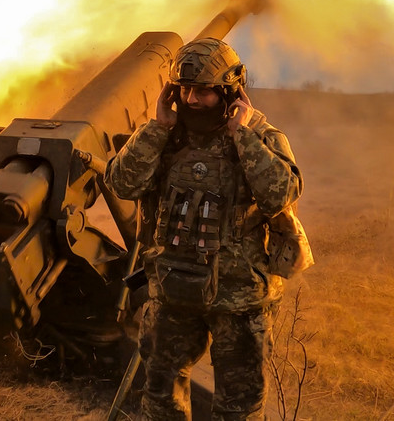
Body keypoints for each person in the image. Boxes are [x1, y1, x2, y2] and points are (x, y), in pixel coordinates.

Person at [105, 37, 309, 421]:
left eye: (204, 91)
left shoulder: (260, 136)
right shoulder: (166, 135)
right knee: (160, 398)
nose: (193, 100)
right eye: (184, 90)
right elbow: (120, 183)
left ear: (230, 92)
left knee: (239, 406)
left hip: (240, 300)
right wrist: (157, 127)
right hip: (172, 293)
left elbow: (280, 194)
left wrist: (242, 134)